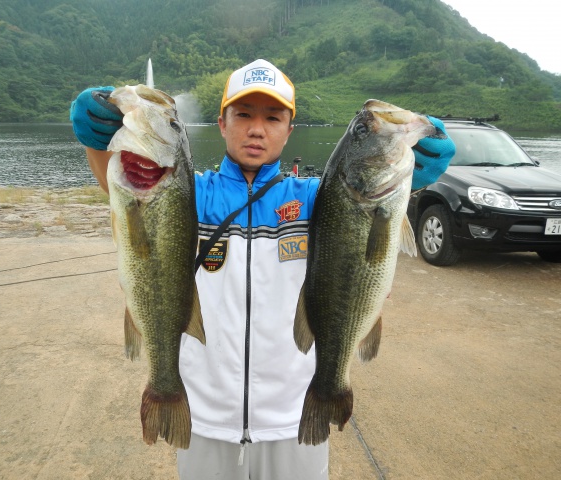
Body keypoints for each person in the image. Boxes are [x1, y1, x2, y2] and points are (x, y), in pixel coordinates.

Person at [70, 59, 455, 480]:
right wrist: (96, 138)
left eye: (273, 117)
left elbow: (365, 207)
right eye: (244, 115)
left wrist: (416, 171)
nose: (257, 129)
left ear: (289, 130)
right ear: (222, 123)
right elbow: (126, 191)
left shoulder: (316, 198)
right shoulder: (189, 192)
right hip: (203, 412)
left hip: (293, 412)